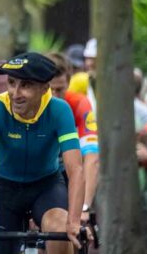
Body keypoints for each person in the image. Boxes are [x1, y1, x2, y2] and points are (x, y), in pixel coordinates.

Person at [0, 52, 84, 254]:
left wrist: (74, 221)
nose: (15, 93)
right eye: (11, 82)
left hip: (46, 186)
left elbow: (76, 169)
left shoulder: (60, 110)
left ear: (44, 88)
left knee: (60, 229)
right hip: (5, 190)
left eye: (25, 85)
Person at [47, 53, 99, 224]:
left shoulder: (79, 103)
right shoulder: (29, 103)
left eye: (60, 89)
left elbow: (92, 157)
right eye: (49, 89)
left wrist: (84, 206)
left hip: (65, 173)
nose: (54, 95)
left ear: (69, 83)